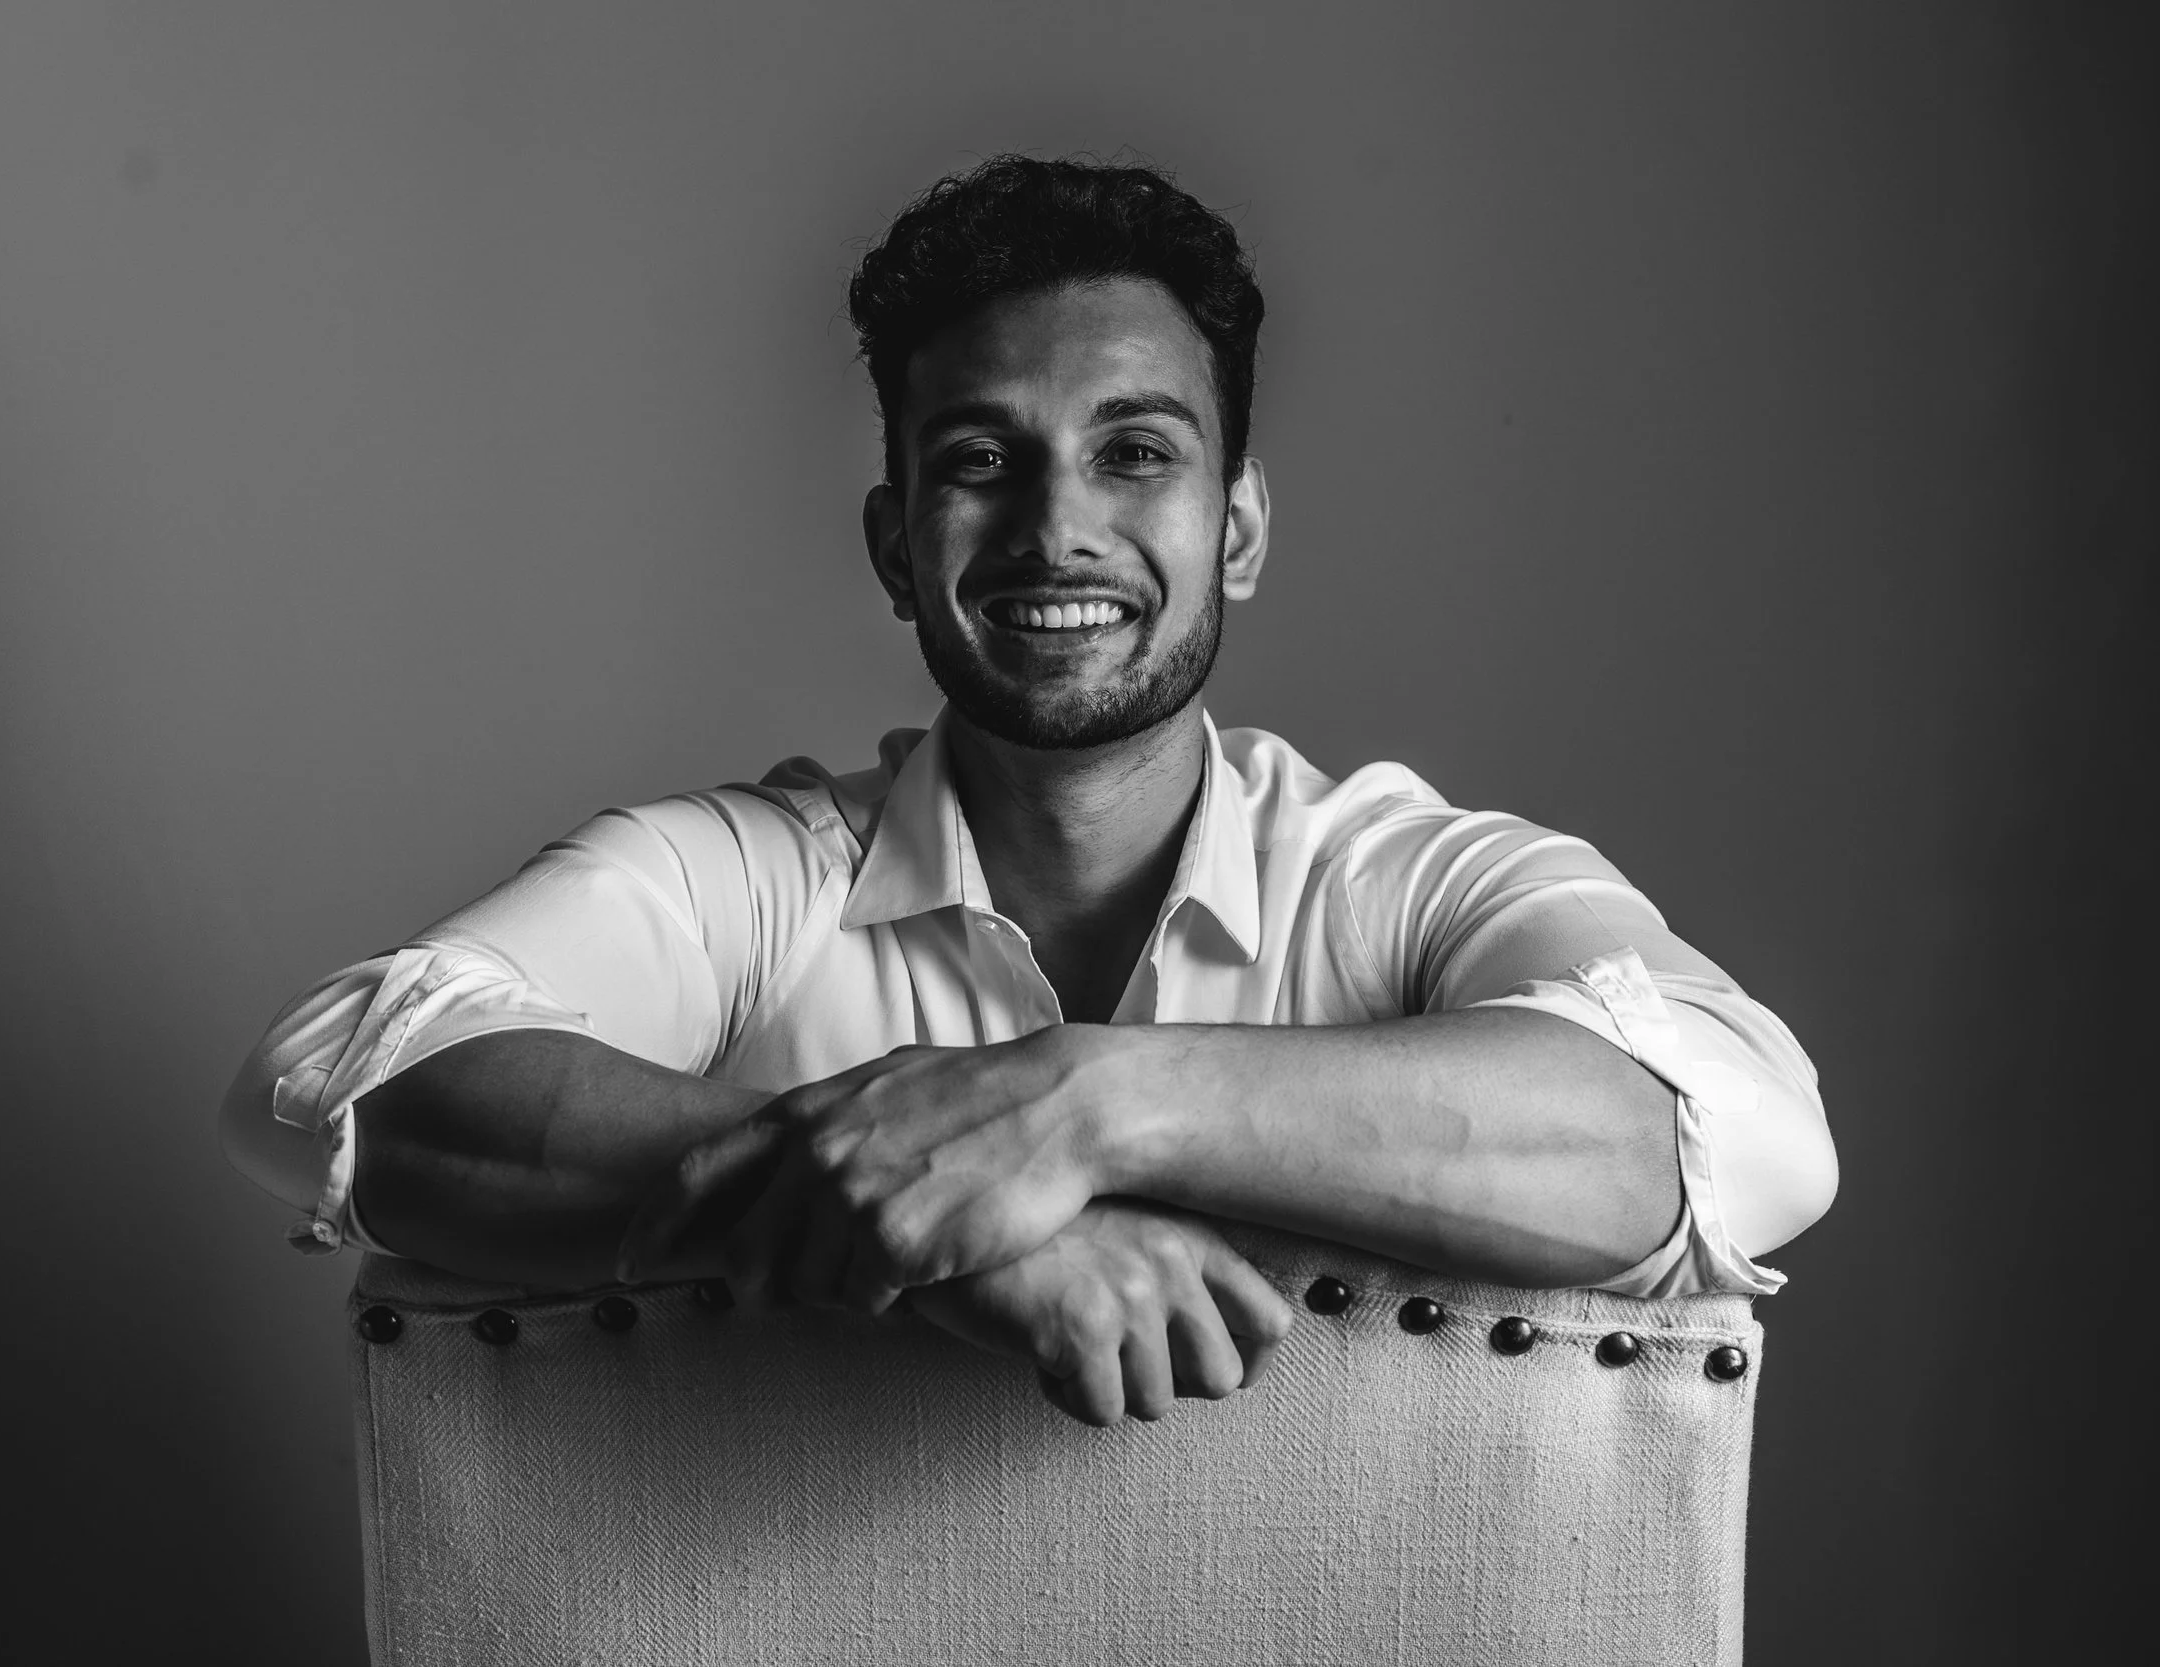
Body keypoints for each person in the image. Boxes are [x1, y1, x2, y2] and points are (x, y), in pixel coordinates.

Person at [221, 155, 1836, 1429]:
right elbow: (334, 1074)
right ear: (894, 548)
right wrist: (934, 1230)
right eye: (981, 461)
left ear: (1242, 528)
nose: (1057, 528)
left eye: (1136, 453)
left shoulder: (1395, 877)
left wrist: (1078, 1105)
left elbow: (1745, 1125)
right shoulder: (758, 871)